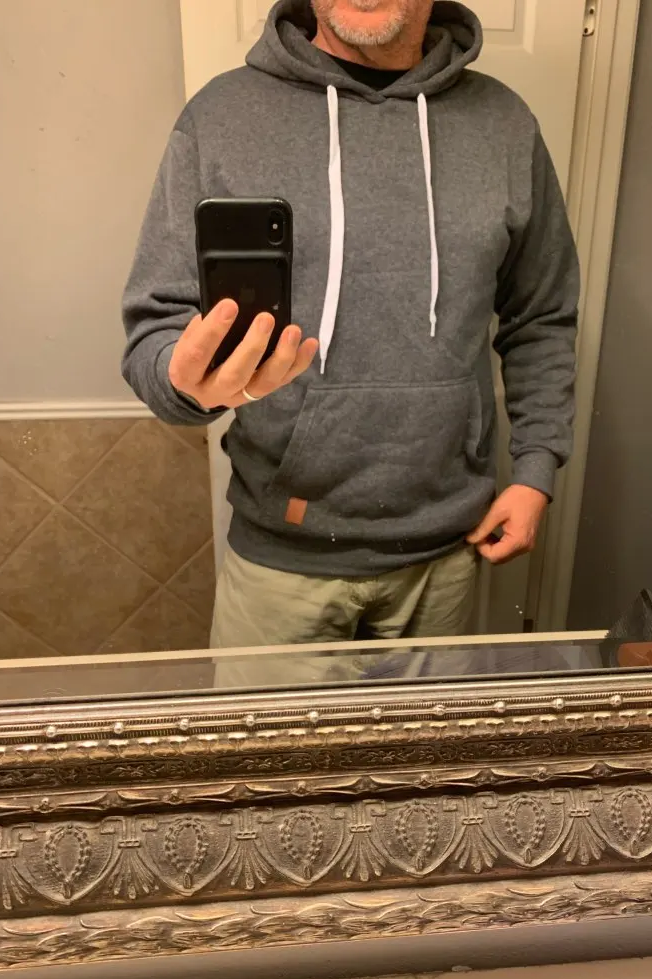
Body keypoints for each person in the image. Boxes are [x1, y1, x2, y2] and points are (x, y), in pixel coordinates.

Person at [122, 0, 579, 653]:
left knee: (431, 729)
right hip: (281, 560)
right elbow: (156, 324)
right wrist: (185, 382)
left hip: (446, 555)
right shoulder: (221, 117)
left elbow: (542, 314)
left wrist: (536, 470)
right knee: (270, 731)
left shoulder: (504, 124)